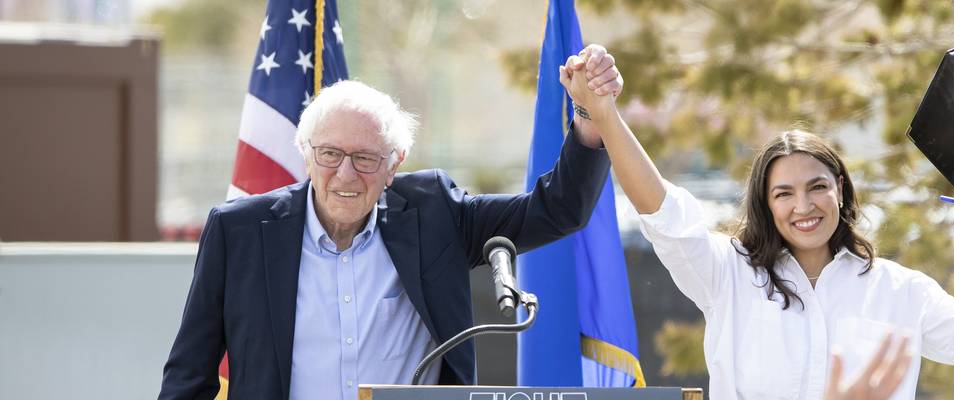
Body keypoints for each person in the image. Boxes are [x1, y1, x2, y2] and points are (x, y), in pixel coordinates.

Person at [558, 53, 954, 400]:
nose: (803, 206)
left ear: (840, 188)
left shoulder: (899, 290)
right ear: (765, 204)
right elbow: (663, 212)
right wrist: (604, 113)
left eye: (817, 187)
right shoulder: (727, 273)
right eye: (783, 194)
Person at [158, 45, 623, 400]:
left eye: (365, 158)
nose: (345, 174)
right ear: (305, 154)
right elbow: (189, 377)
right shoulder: (239, 232)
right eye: (330, 154)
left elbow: (558, 210)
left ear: (394, 164)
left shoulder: (435, 215)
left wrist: (589, 115)